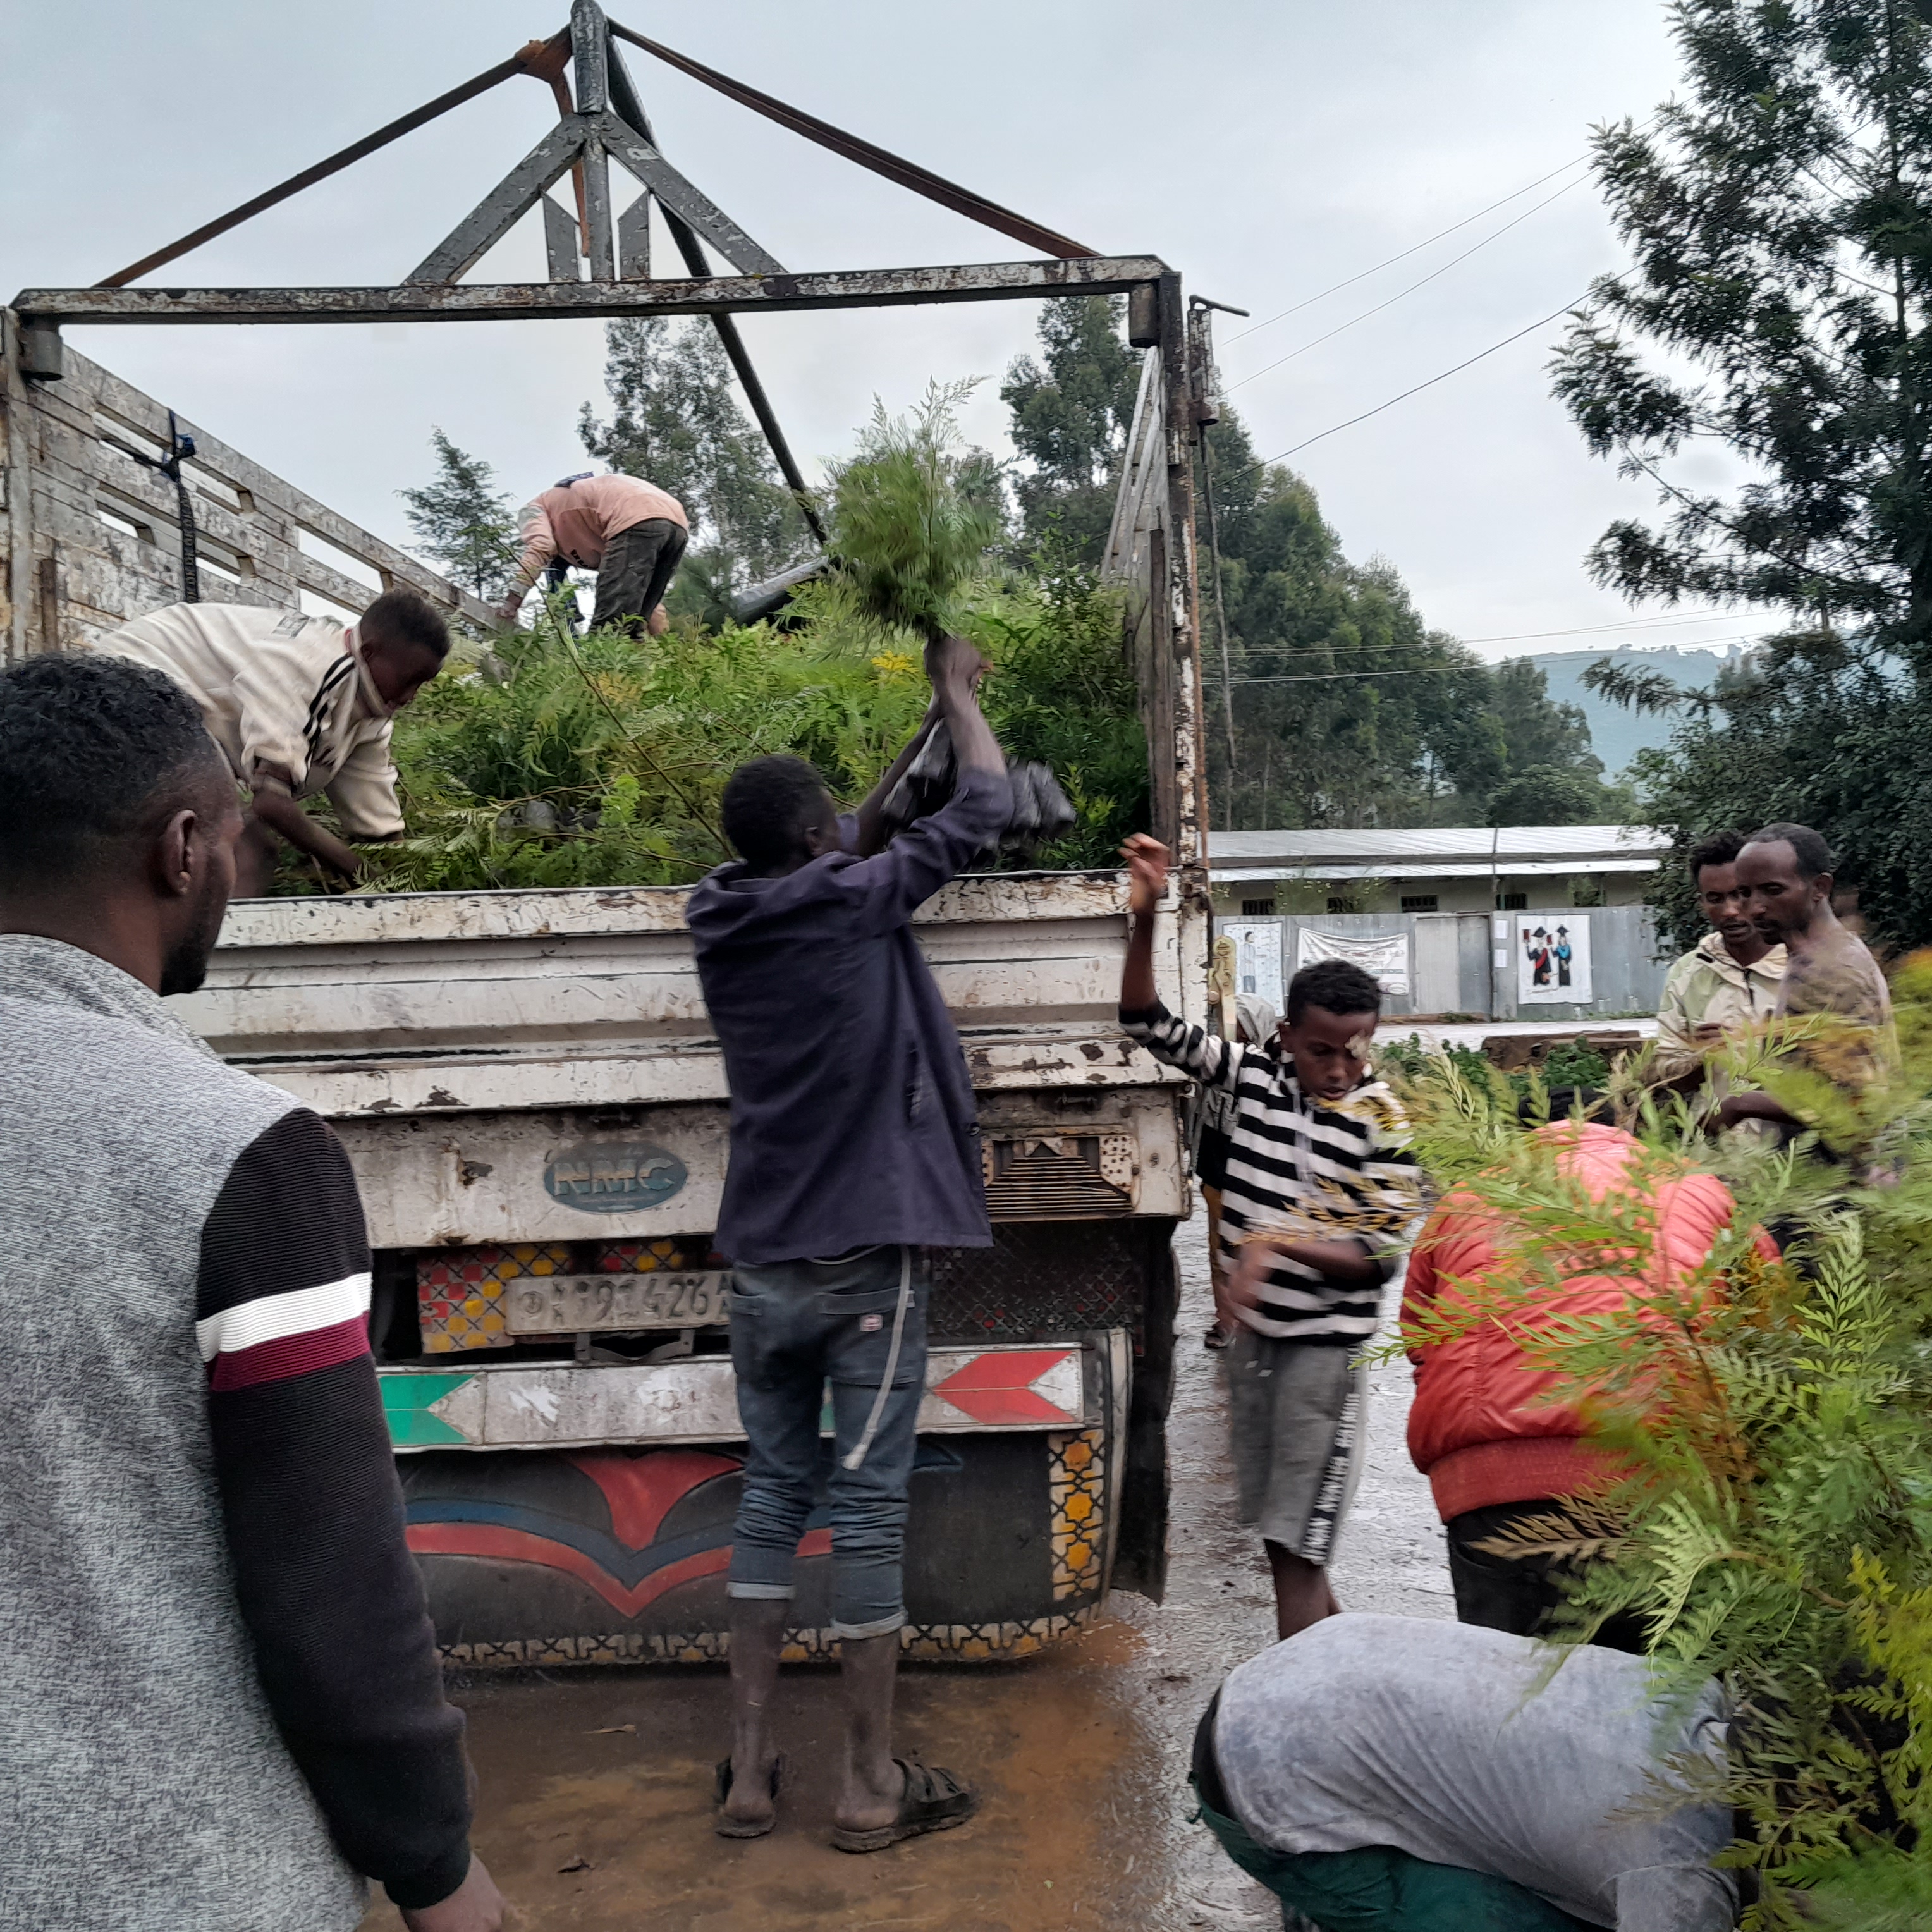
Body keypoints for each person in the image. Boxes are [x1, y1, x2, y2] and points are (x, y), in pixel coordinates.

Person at [0, 654, 501, 1932]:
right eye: (238, 842)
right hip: (167, 1874)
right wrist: (434, 1866)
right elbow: (329, 1589)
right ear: (182, 850)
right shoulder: (229, 1153)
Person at [686, 632, 1008, 1850]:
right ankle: (869, 1784)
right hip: (863, 1261)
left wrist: (889, 764)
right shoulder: (852, 899)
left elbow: (845, 845)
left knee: (772, 1497)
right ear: (818, 841)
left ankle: (752, 1773)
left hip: (761, 1265)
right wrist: (960, 699)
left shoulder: (722, 912)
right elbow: (977, 807)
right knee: (865, 1516)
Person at [1120, 836, 1421, 1639]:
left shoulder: (1381, 1117)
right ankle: (1345, 1667)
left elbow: (1374, 1260)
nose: (1338, 1067)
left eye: (1355, 1048)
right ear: (1284, 1035)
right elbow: (1144, 1022)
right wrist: (1144, 917)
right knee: (1283, 1542)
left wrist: (1273, 1244)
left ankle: (1298, 1713)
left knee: (1295, 1545)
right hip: (1257, 1349)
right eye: (1321, 1048)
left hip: (1322, 1360)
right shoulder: (1250, 1076)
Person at [1403, 1119, 1776, 1650]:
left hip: (1492, 1493)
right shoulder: (1702, 1189)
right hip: (1664, 1479)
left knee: (1506, 1706)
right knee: (1659, 1706)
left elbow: (1421, 1346)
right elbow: (1772, 1343)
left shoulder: (1464, 1200)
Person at [1192, 1613, 1738, 1931]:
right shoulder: (1678, 1876)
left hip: (1308, 1664)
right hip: (1257, 1779)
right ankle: (1329, 1894)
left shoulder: (1699, 1694)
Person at [97, 589, 449, 894]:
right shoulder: (311, 668)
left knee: (245, 847)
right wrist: (359, 872)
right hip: (125, 688)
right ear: (369, 653)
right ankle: (211, 959)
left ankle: (219, 954)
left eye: (422, 684)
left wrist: (410, 885)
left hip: (177, 710)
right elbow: (272, 805)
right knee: (236, 846)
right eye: (409, 680)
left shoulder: (369, 716)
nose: (410, 696)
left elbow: (381, 835)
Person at [1717, 821, 1897, 1142]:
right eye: (1744, 893)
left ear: (1820, 888)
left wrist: (1740, 1105)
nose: (1754, 908)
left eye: (1773, 890)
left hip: (1850, 1181)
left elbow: (1856, 1103)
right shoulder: (1816, 957)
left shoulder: (1833, 971)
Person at [1653, 830, 1785, 1092]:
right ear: (1701, 902)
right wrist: (1701, 1058)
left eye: (1739, 894)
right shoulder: (1687, 973)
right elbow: (1665, 1075)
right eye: (1715, 899)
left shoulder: (1803, 966)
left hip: (1795, 1131)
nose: (1730, 911)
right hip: (1715, 1131)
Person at [499, 470, 690, 636]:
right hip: (677, 522)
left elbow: (541, 546)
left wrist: (512, 604)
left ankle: (596, 676)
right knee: (635, 622)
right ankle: (673, 664)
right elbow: (641, 592)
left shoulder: (533, 509)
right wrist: (665, 644)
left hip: (634, 515)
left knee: (607, 631)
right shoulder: (590, 532)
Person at [1198, 981, 1280, 1352]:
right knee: (1221, 1254)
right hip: (1217, 1178)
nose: (1232, 1033)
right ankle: (1227, 1322)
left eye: (1240, 1026)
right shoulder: (1217, 1067)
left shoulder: (1268, 1078)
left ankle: (1260, 1326)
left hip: (1256, 1184)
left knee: (1259, 1255)